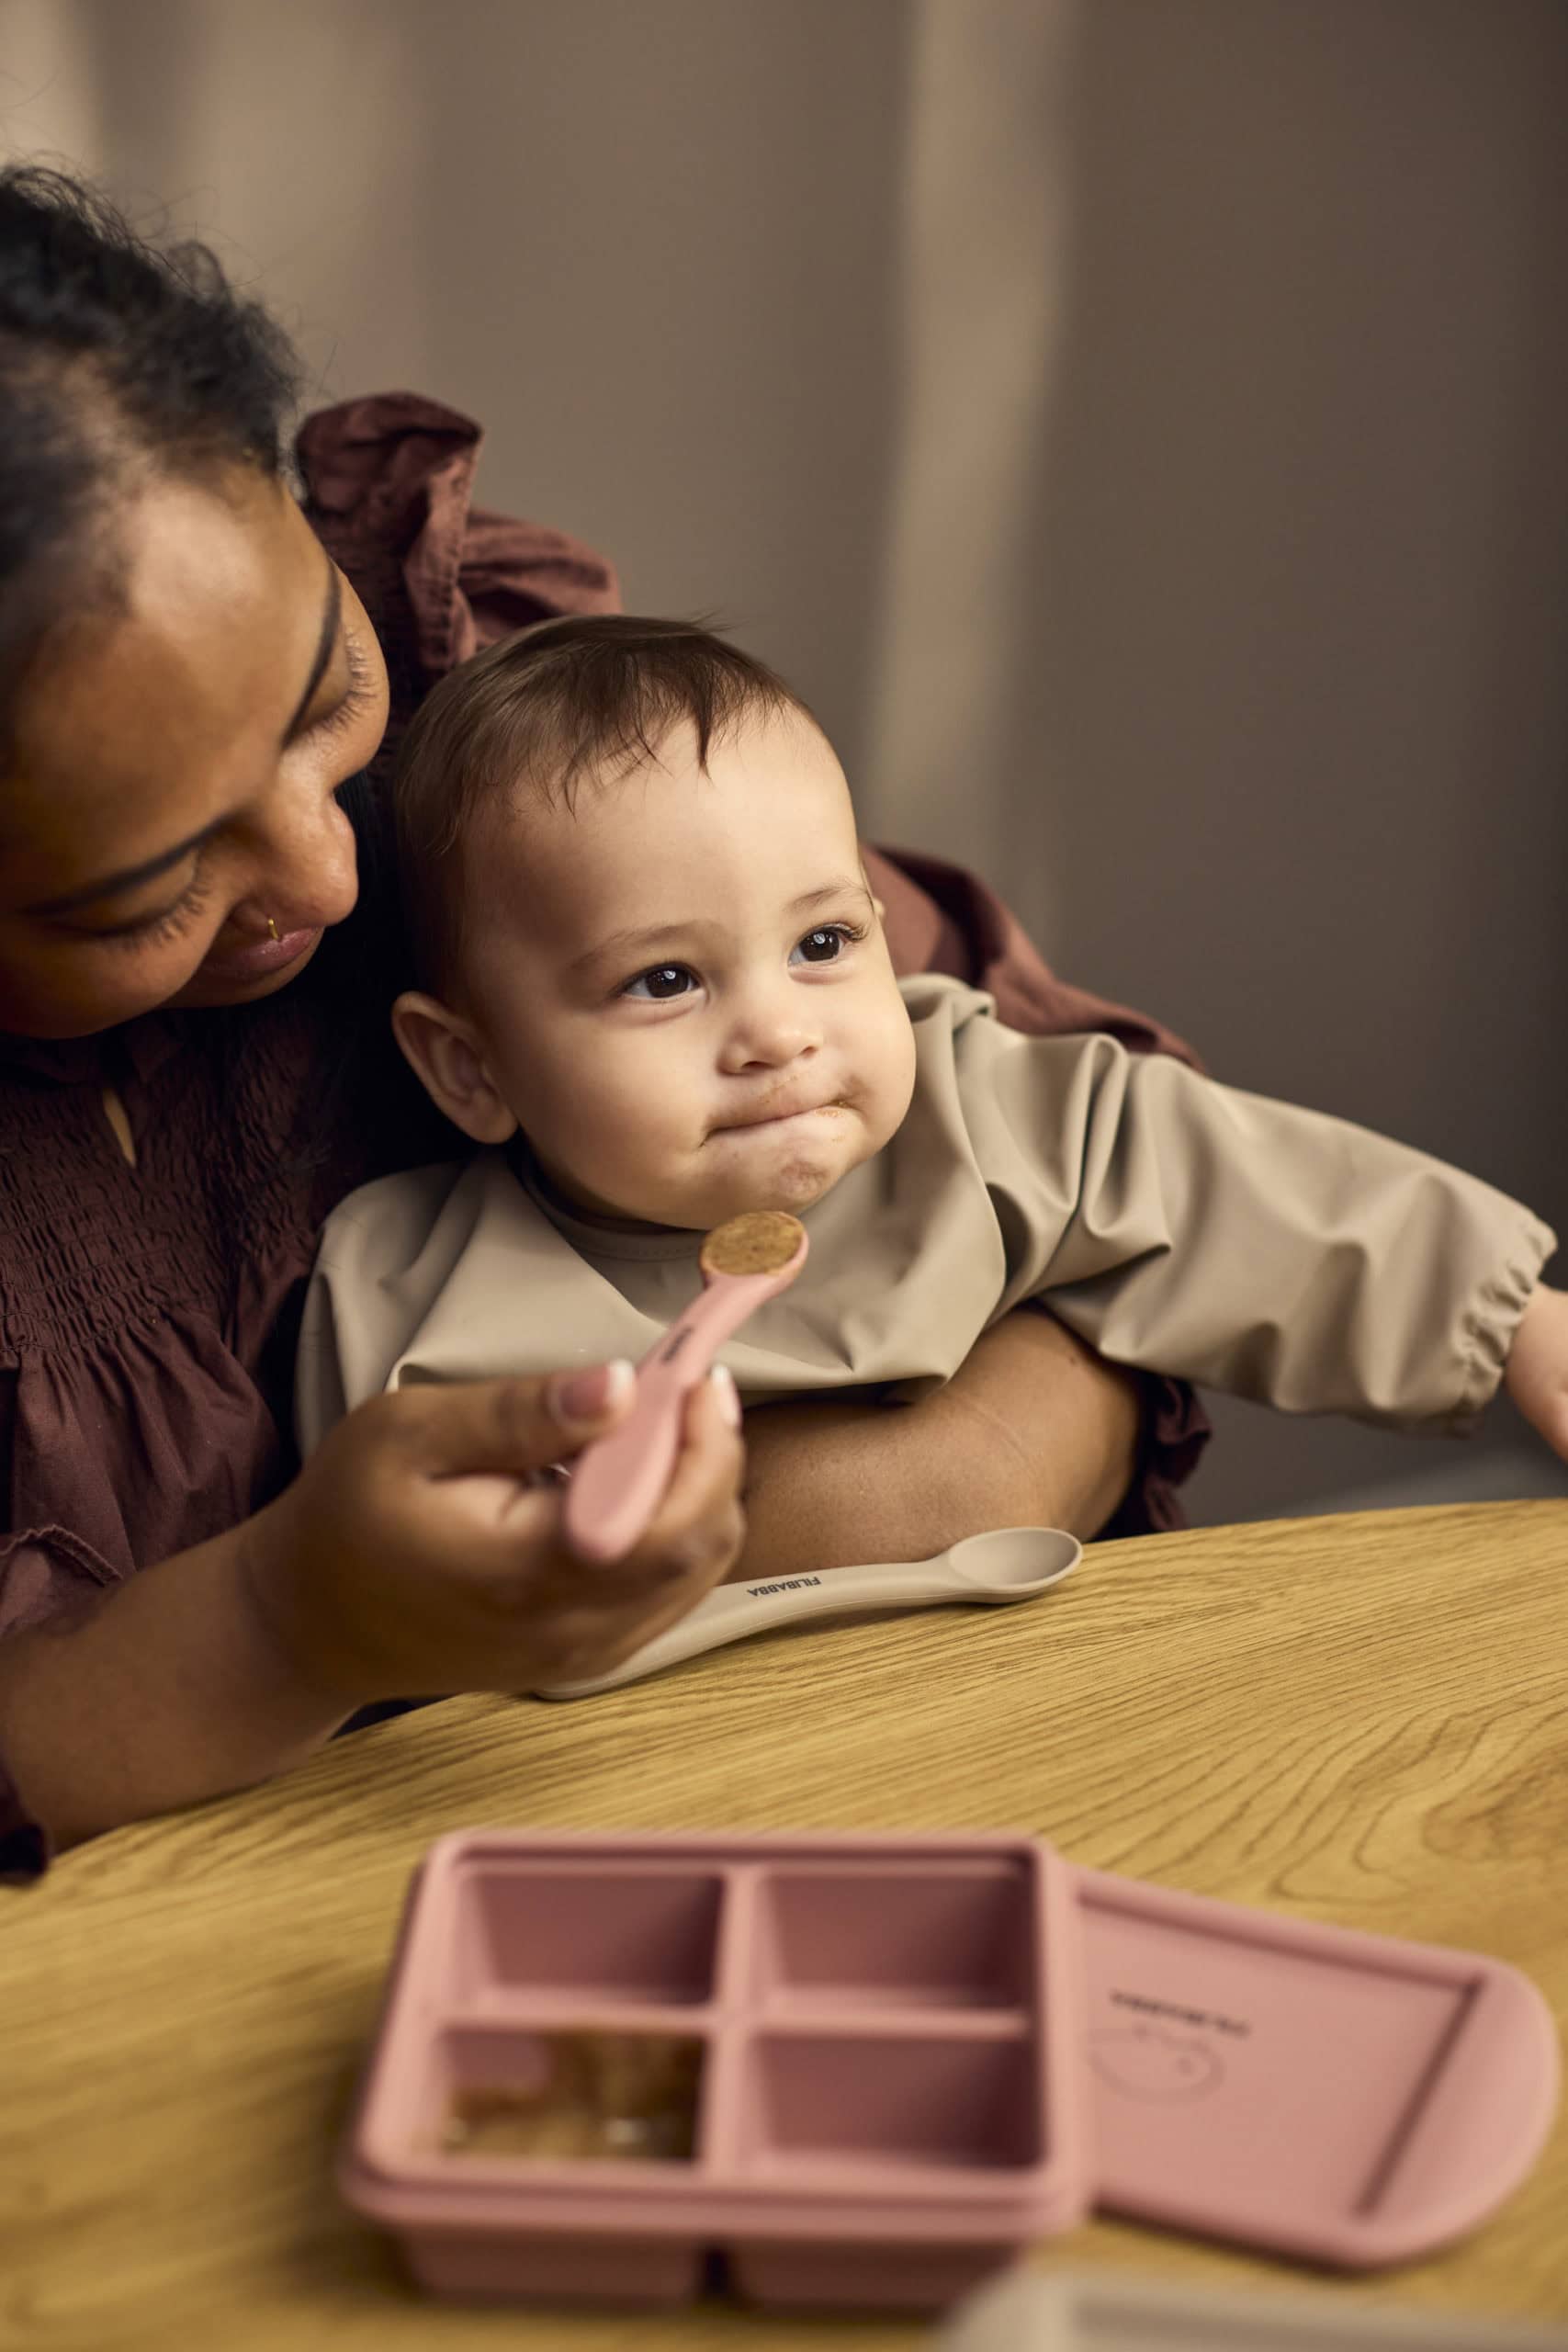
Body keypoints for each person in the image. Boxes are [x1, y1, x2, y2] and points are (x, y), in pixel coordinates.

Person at [0, 168, 1203, 1878]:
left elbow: (1087, 1127)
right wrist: (285, 1621)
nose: (328, 874)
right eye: (140, 891)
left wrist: (922, 1491)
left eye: (323, 700)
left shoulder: (494, 703)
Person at [298, 616, 1566, 1532]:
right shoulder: (409, 1294)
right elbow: (377, 1596)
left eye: (824, 944)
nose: (780, 1033)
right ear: (471, 1069)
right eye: (667, 981)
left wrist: (1508, 1319)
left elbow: (1229, 1186)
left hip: (1029, 1704)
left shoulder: (970, 1111)